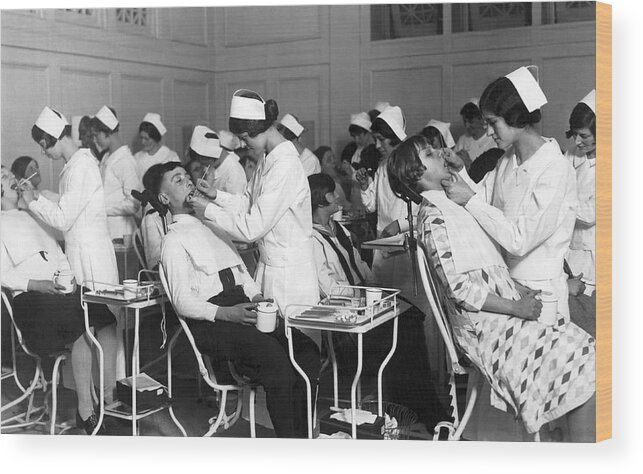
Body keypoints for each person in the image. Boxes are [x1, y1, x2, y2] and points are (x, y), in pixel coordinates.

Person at [387, 134, 596, 441]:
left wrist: (517, 288)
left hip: (503, 321)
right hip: (487, 333)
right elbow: (459, 289)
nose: (441, 155)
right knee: (586, 365)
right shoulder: (434, 219)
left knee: (591, 355)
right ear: (416, 174)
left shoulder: (451, 207)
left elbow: (486, 266)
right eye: (431, 155)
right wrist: (515, 306)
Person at [151, 161, 320, 438]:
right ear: (164, 198)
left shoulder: (213, 225)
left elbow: (241, 272)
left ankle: (303, 437)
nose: (189, 182)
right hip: (214, 321)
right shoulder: (173, 240)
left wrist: (258, 297)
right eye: (178, 180)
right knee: (276, 360)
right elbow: (182, 301)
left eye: (187, 177)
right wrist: (228, 314)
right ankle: (291, 446)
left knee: (305, 351)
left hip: (244, 307)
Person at [442, 66, 579, 334]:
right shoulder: (508, 159)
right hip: (508, 289)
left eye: (494, 122)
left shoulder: (554, 168)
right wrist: (461, 171)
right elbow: (480, 199)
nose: (490, 131)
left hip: (541, 292)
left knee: (537, 372)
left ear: (517, 118)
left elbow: (519, 239)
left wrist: (469, 198)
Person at [188, 90, 320, 345]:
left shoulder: (286, 165)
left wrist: (208, 211)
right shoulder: (268, 157)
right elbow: (249, 202)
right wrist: (215, 196)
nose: (243, 145)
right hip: (270, 267)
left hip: (290, 275)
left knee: (297, 348)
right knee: (274, 348)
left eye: (244, 138)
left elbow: (252, 227)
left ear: (260, 130)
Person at [18, 107, 122, 419]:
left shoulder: (82, 166)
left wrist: (33, 199)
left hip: (93, 258)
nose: (42, 151)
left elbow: (64, 219)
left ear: (53, 139)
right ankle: (92, 401)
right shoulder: (75, 165)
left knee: (102, 327)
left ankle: (107, 396)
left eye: (43, 144)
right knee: (89, 327)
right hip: (83, 255)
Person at [1, 166, 118, 434]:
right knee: (81, 325)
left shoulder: (34, 216)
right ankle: (86, 412)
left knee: (104, 315)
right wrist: (38, 285)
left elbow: (58, 254)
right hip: (31, 301)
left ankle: (110, 399)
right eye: (5, 177)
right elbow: (2, 275)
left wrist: (68, 278)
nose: (13, 178)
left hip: (58, 291)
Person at [309, 173, 372, 297]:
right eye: (332, 193)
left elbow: (358, 262)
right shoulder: (313, 239)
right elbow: (326, 287)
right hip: (344, 301)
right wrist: (358, 293)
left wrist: (374, 286)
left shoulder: (339, 228)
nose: (338, 196)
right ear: (320, 201)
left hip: (364, 293)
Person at [90, 106, 140, 241]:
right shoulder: (107, 157)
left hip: (121, 232)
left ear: (107, 132)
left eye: (96, 135)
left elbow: (134, 204)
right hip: (106, 228)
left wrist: (102, 208)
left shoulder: (126, 160)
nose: (94, 140)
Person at [565, 90, 596, 297]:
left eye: (584, 136)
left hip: (591, 253)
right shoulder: (573, 154)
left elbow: (588, 215)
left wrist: (557, 199)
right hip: (567, 246)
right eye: (575, 134)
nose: (577, 141)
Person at [187, 126, 246, 195]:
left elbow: (237, 205)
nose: (203, 167)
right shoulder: (214, 167)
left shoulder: (234, 174)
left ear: (207, 157)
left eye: (203, 163)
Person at [134, 112, 180, 179]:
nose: (143, 142)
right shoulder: (137, 158)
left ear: (156, 137)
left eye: (147, 139)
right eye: (141, 138)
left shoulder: (170, 157)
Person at [313, 146, 352, 213]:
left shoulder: (344, 180)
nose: (333, 161)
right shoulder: (325, 187)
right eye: (329, 160)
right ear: (320, 166)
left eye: (334, 157)